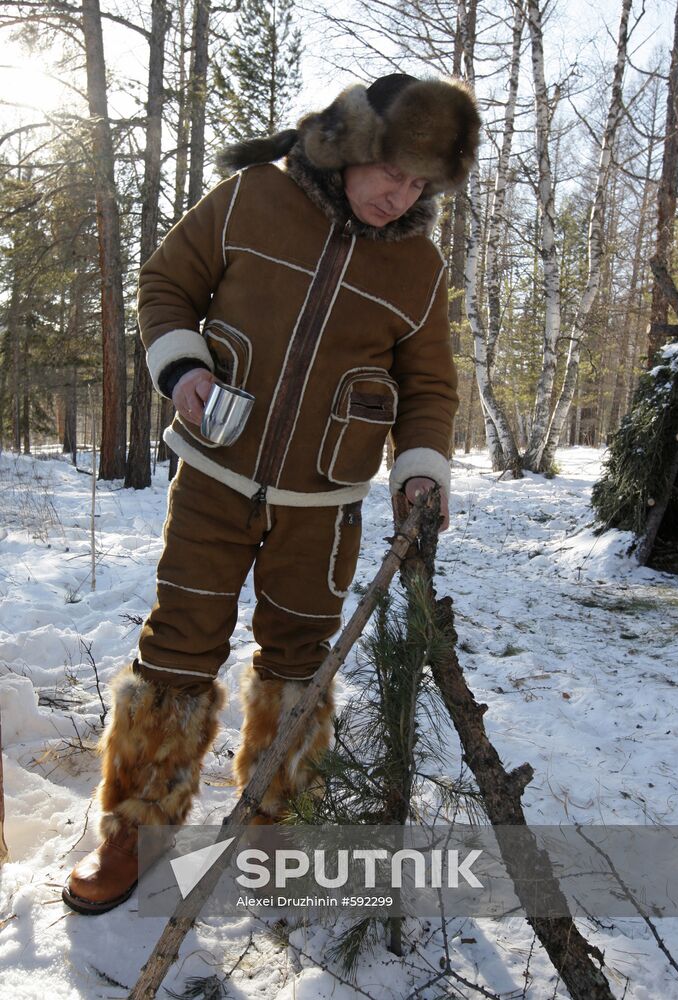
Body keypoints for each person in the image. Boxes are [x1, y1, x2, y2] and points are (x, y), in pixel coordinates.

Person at [63, 73, 480, 914]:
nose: (398, 196)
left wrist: (422, 470)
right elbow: (165, 285)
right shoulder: (253, 195)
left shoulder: (418, 263)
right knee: (177, 648)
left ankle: (271, 820)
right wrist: (181, 366)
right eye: (389, 173)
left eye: (418, 185)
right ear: (356, 146)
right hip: (216, 479)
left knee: (299, 663)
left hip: (323, 506)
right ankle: (136, 829)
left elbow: (429, 386)